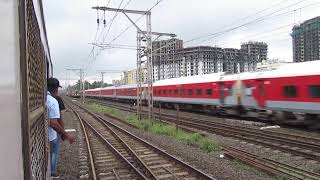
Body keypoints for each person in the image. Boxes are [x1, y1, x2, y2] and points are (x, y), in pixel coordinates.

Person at [47, 78, 74, 178]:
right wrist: (65, 134)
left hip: (44, 134)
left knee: (49, 152)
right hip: (52, 134)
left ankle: (49, 170)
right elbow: (56, 121)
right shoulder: (54, 101)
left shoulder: (43, 98)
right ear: (56, 89)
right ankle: (53, 172)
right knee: (54, 151)